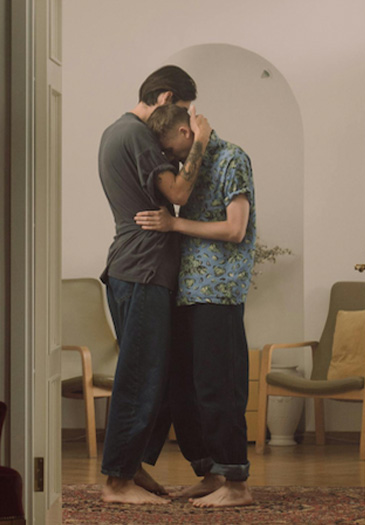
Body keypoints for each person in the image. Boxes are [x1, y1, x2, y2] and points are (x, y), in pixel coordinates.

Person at [97, 65, 212, 505]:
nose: (182, 123)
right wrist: (199, 141)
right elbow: (179, 194)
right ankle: (117, 482)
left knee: (155, 375)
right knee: (141, 377)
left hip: (135, 270)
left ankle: (133, 466)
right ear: (165, 99)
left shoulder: (115, 131)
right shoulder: (138, 135)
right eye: (182, 111)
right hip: (142, 270)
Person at [134, 103, 257, 508]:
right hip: (187, 289)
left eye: (171, 150)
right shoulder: (194, 161)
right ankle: (211, 473)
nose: (170, 160)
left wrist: (175, 224)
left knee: (217, 387)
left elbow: (235, 229)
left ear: (187, 133)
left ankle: (237, 484)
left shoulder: (232, 159)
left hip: (218, 292)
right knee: (183, 387)